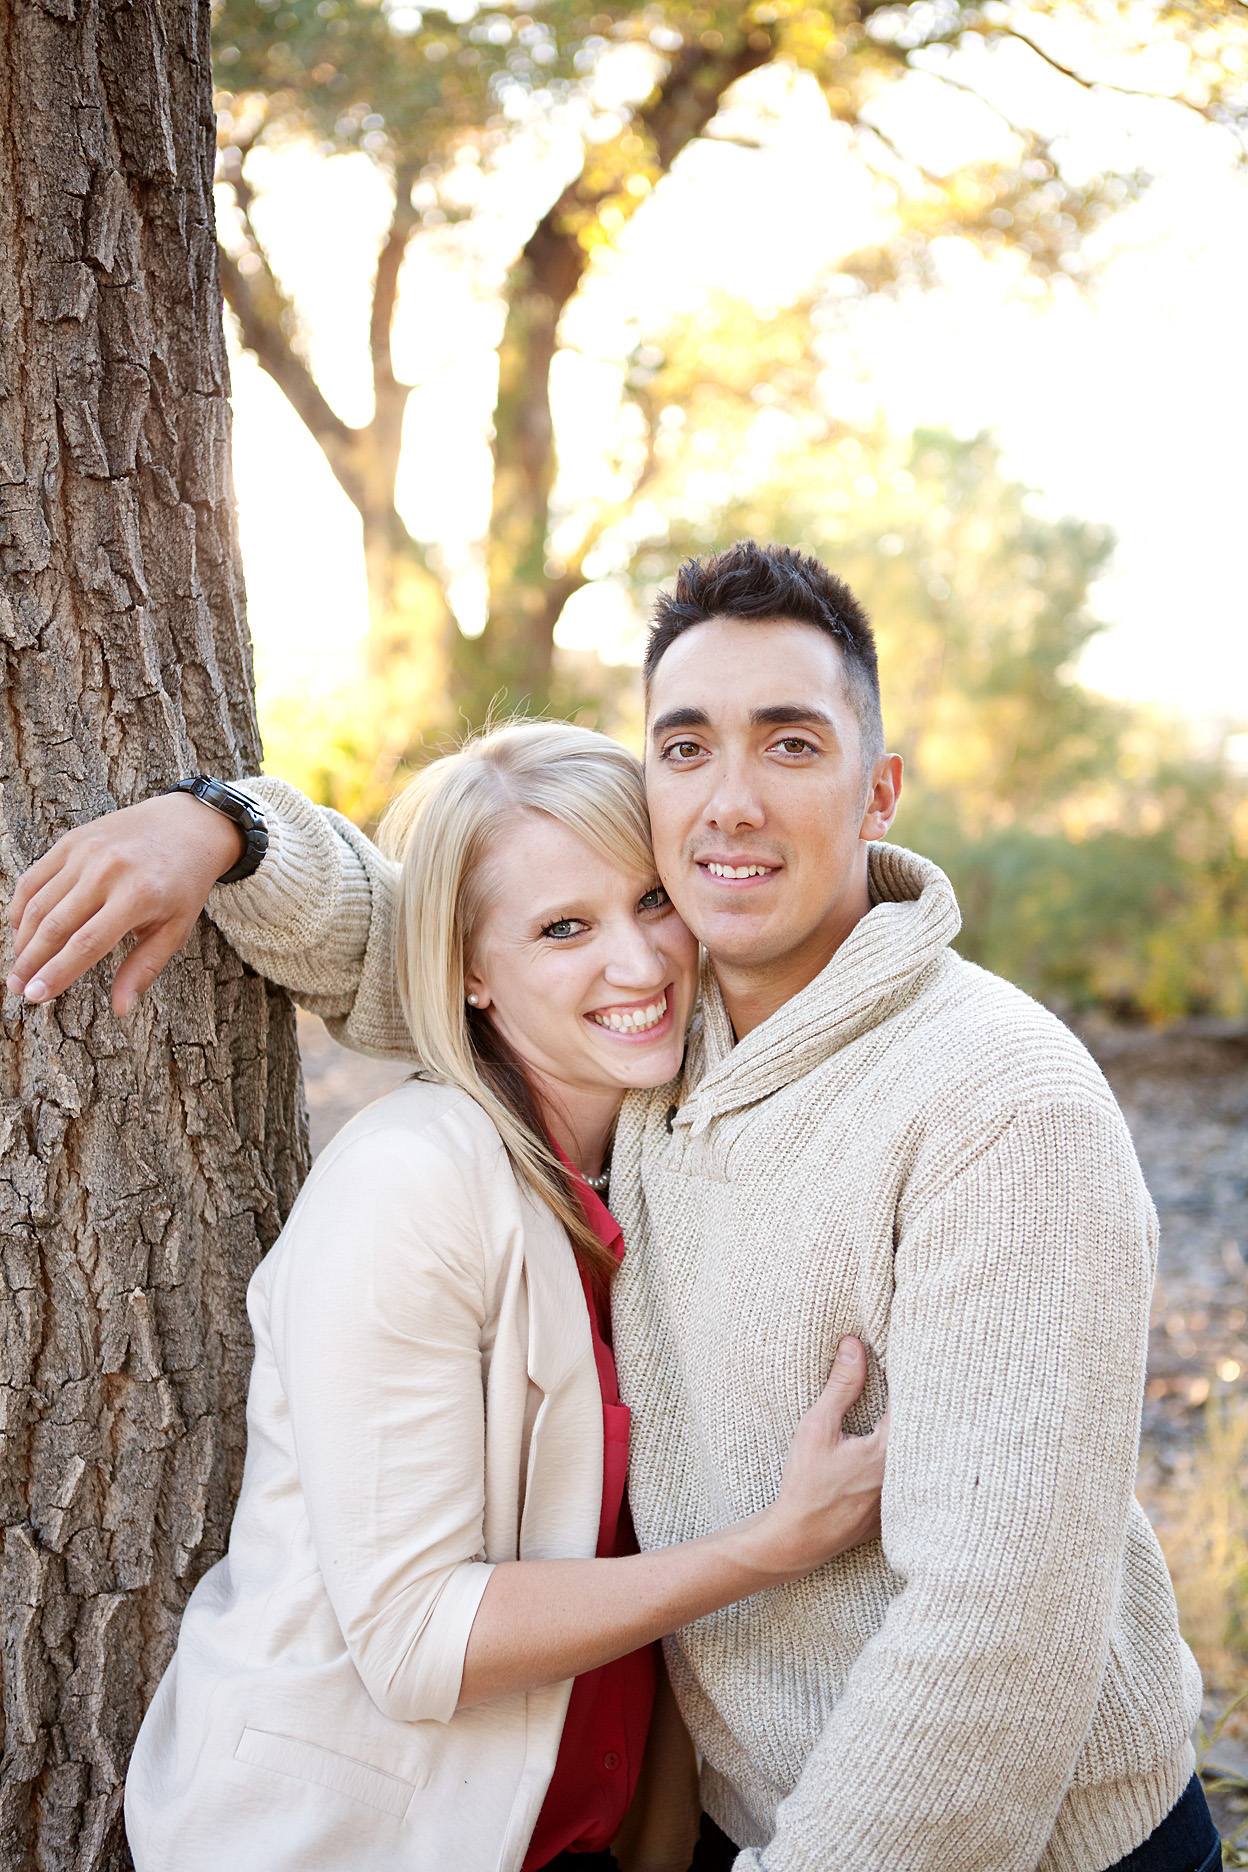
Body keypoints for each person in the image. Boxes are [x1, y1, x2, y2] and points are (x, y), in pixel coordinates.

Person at [8, 542, 1219, 1872]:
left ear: (878, 790)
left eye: (792, 744)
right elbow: (426, 936)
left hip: (1013, 1847)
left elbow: (994, 1646)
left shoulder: (1000, 1103)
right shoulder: (675, 1029)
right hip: (753, 1816)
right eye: (688, 748)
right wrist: (221, 826)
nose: (732, 802)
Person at [109, 721, 887, 1872]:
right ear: (471, 971)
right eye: (564, 929)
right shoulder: (409, 1185)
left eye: (653, 901)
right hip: (348, 1842)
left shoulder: (664, 1157)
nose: (640, 964)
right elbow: (417, 1642)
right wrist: (774, 1547)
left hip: (586, 1835)